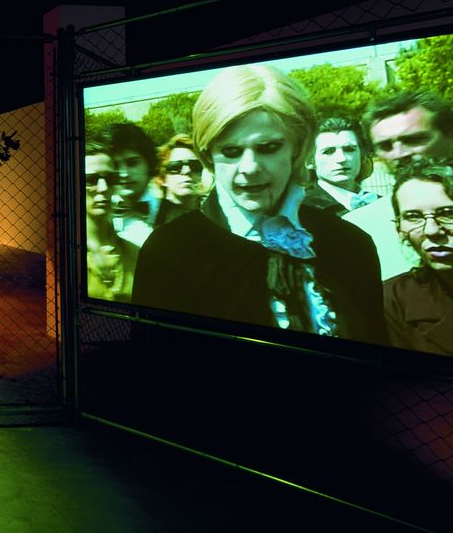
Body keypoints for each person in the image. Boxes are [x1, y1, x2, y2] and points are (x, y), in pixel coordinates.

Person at [131, 65, 386, 344]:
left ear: (298, 148)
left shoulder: (350, 243)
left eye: (268, 147)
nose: (249, 167)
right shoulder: (169, 251)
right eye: (231, 151)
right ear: (208, 154)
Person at [343, 90, 453, 279]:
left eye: (414, 140)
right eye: (386, 146)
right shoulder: (357, 228)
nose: (399, 154)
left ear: (452, 135)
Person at [382, 158, 453, 361]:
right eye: (413, 216)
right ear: (399, 227)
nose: (431, 230)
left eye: (449, 213)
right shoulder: (392, 303)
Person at [84, 136, 139, 303]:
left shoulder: (135, 253)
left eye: (110, 179)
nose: (103, 188)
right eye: (91, 180)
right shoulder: (64, 255)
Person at [305, 117, 379, 212]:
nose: (341, 159)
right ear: (310, 160)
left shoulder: (383, 204)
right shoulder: (304, 210)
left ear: (362, 155)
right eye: (328, 151)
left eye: (349, 149)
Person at [106, 122, 161, 246]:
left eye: (132, 163)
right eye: (115, 165)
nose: (123, 174)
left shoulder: (174, 213)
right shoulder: (97, 217)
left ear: (149, 164)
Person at [152, 133, 204, 226]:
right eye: (175, 167)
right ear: (162, 178)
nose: (187, 171)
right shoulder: (151, 219)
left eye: (195, 165)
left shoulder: (215, 214)